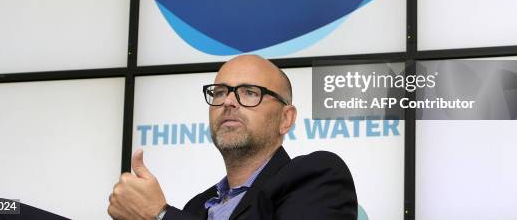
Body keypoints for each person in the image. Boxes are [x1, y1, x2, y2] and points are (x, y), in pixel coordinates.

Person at [107, 55, 357, 220]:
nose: (228, 101)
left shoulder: (317, 176)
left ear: (286, 119)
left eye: (249, 92)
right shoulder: (197, 207)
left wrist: (160, 215)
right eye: (219, 92)